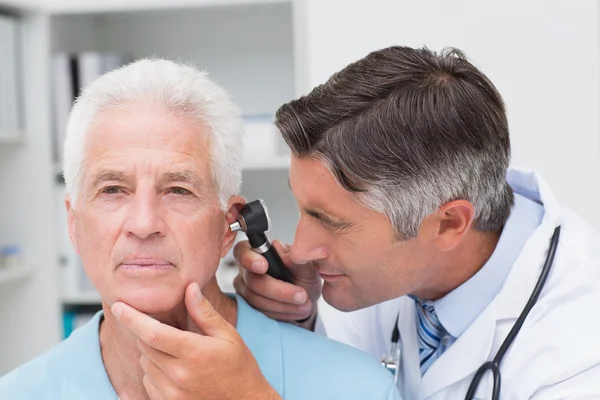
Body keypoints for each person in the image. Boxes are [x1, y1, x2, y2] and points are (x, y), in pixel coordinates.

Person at [0, 59, 401, 400]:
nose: (143, 224)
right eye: (112, 190)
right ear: (73, 223)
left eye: (178, 190)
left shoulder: (359, 388)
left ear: (229, 226)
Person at [233, 46, 600, 399]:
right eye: (303, 210)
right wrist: (302, 323)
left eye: (332, 222)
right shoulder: (390, 269)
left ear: (449, 224)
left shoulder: (580, 352)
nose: (299, 250)